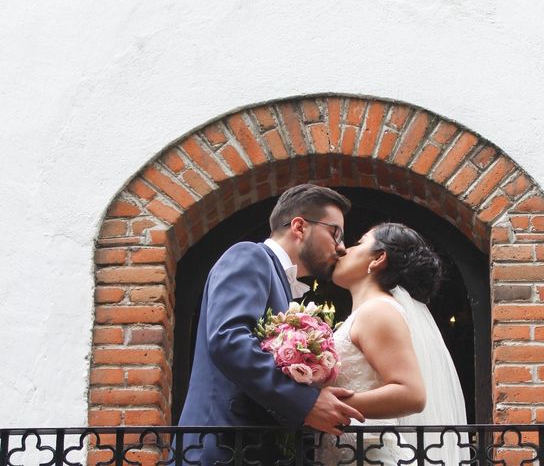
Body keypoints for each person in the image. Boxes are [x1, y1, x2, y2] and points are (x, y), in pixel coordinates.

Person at [177, 184, 365, 464]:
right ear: (299, 227)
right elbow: (229, 339)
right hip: (219, 446)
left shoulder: (282, 283)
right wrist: (306, 403)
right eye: (334, 232)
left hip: (253, 450)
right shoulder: (249, 256)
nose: (340, 247)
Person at [317, 222, 468, 465]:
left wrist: (329, 406)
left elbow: (411, 394)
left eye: (359, 243)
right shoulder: (369, 312)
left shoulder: (378, 311)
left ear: (378, 259)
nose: (345, 250)